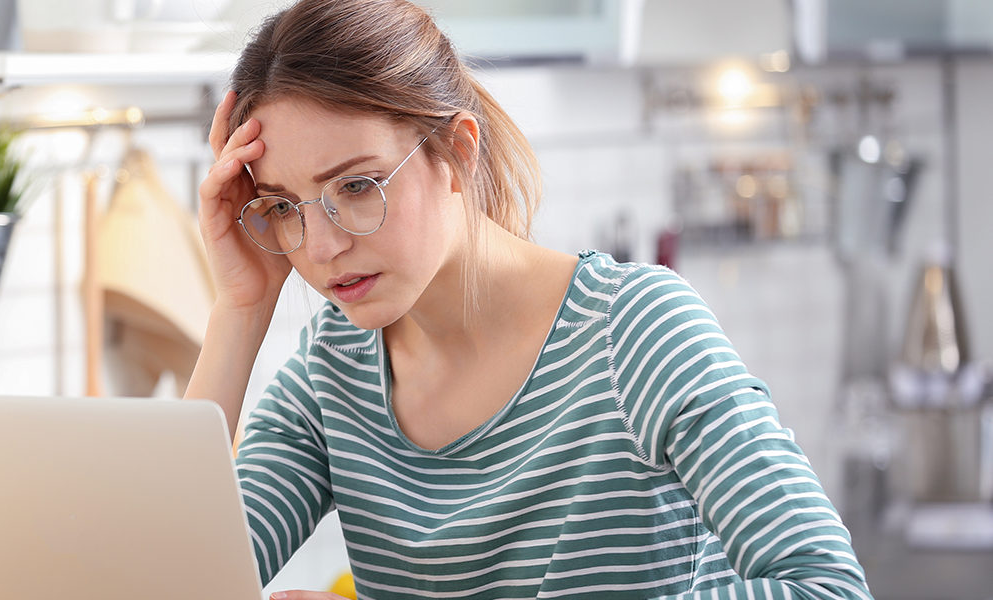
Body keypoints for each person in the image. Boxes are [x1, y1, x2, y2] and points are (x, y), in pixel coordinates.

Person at [182, 0, 870, 599]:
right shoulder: (330, 377)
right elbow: (167, 584)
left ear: (455, 151)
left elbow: (826, 586)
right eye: (284, 208)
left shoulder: (632, 330)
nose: (321, 247)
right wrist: (240, 309)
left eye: (357, 187)